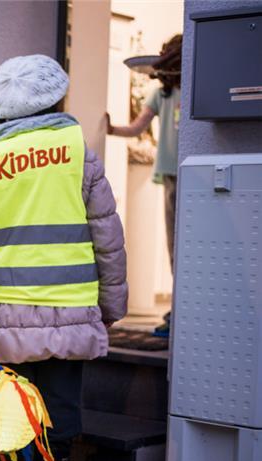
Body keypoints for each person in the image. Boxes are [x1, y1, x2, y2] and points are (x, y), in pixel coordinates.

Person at [0, 54, 127, 461]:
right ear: (54, 100)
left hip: (6, 308)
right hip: (69, 308)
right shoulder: (78, 151)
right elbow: (107, 237)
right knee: (60, 402)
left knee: (2, 399)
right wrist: (111, 303)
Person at [107, 34, 181, 336]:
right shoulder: (159, 94)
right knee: (174, 246)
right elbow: (138, 127)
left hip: (194, 177)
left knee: (190, 247)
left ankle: (184, 309)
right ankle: (178, 310)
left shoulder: (195, 90)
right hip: (171, 177)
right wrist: (109, 128)